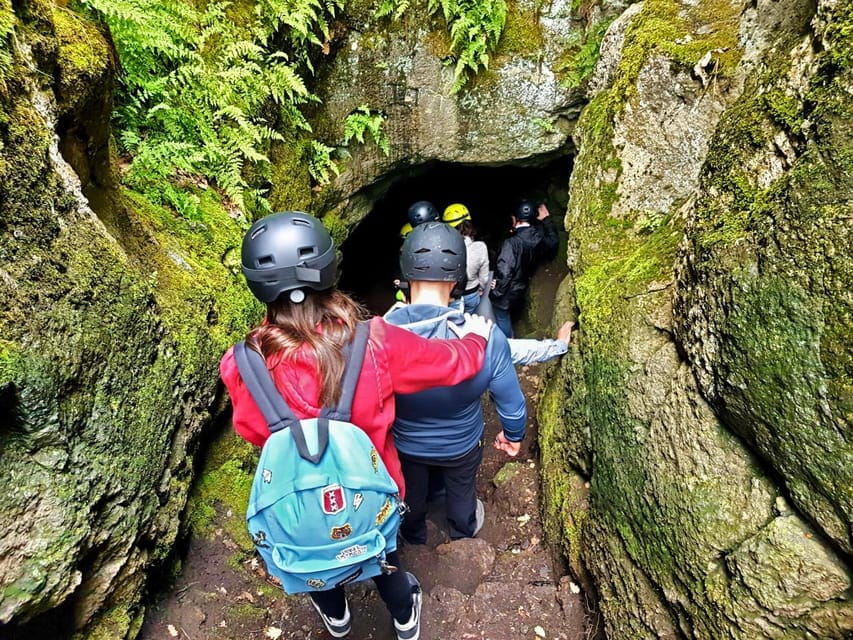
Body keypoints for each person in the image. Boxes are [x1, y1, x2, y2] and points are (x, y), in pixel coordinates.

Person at [220, 211, 493, 640]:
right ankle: (404, 617)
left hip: (298, 499)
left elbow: (255, 433)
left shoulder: (243, 364)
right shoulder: (375, 341)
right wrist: (477, 338)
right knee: (384, 553)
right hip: (375, 490)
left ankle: (337, 616)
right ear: (329, 268)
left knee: (316, 555)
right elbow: (451, 363)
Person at [384, 221, 527, 544]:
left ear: (405, 273)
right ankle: (463, 531)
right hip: (462, 444)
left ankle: (413, 534)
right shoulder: (485, 336)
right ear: (458, 276)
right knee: (462, 491)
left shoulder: (380, 334)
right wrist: (513, 434)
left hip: (407, 444)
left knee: (412, 492)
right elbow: (512, 404)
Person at [490, 200, 559, 338]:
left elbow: (505, 271)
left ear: (514, 219)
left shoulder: (511, 243)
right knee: (511, 314)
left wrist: (495, 291)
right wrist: (546, 220)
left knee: (502, 316)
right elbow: (553, 241)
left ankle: (509, 345)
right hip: (522, 287)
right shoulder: (539, 239)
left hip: (508, 291)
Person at [442, 203, 489, 314]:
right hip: (471, 294)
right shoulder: (480, 247)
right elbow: (484, 278)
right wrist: (481, 288)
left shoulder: (442, 248)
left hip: (449, 296)